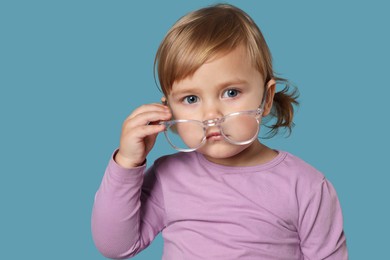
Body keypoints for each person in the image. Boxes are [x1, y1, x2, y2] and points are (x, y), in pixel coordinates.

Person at [91, 4, 348, 259]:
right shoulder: (168, 178)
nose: (211, 115)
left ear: (266, 99)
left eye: (231, 93)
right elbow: (115, 246)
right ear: (169, 112)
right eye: (191, 99)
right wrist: (127, 163)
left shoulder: (306, 187)